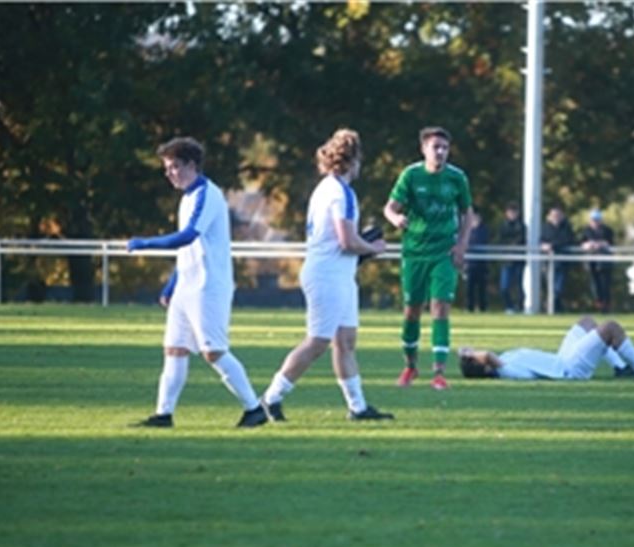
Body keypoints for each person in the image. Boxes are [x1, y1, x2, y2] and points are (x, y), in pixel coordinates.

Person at [127, 137, 267, 428]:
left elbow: (188, 236)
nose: (170, 174)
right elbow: (187, 251)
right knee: (174, 349)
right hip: (187, 286)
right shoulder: (186, 198)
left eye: (175, 167)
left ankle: (254, 409)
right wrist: (172, 284)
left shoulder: (207, 194)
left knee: (213, 352)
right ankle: (163, 414)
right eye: (167, 168)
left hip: (208, 286)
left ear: (192, 165)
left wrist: (145, 243)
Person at [259, 129, 392, 422]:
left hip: (338, 274)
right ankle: (270, 398)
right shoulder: (341, 192)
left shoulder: (326, 187)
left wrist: (363, 246)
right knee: (318, 341)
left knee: (345, 341)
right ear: (352, 161)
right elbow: (346, 240)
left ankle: (358, 407)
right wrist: (373, 248)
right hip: (328, 275)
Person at [383, 126, 475, 391]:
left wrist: (462, 245)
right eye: (435, 147)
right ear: (424, 149)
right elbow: (390, 207)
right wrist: (395, 218)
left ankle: (439, 372)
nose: (440, 152)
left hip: (443, 253)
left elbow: (467, 213)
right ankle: (410, 366)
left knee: (440, 307)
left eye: (444, 147)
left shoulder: (457, 178)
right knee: (412, 310)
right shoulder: (411, 175)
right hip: (414, 253)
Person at [458, 316, 634, 381]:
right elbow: (487, 355)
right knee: (610, 328)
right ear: (484, 366)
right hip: (570, 369)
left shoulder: (502, 362)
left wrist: (465, 354)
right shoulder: (505, 371)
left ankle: (621, 368)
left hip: (560, 360)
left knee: (586, 322)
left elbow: (484, 356)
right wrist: (469, 355)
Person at [540, 205, 576, 312]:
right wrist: (544, 246)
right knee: (550, 287)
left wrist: (552, 245)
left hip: (562, 262)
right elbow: (541, 241)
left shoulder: (566, 228)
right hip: (548, 262)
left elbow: (566, 240)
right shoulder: (545, 228)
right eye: (553, 215)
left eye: (558, 215)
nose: (556, 217)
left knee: (558, 288)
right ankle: (555, 308)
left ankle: (555, 308)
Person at [580, 208, 615, 312]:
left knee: (605, 285)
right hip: (591, 262)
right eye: (593, 220)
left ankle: (606, 306)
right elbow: (582, 243)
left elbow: (610, 243)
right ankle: (599, 304)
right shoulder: (586, 231)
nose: (595, 222)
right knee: (595, 285)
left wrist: (600, 244)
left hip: (604, 263)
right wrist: (588, 245)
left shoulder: (607, 230)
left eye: (597, 220)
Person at [498, 201, 526, 313]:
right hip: (506, 260)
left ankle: (520, 307)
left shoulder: (521, 226)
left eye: (514, 212)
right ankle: (509, 306)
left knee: (518, 286)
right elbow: (500, 240)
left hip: (518, 260)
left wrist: (510, 246)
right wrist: (509, 247)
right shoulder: (503, 226)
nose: (512, 214)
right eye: (510, 212)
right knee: (504, 286)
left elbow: (521, 240)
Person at [464, 208, 489, 312]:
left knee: (482, 287)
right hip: (470, 263)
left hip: (481, 263)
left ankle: (483, 307)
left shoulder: (483, 230)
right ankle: (469, 307)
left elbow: (483, 241)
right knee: (469, 287)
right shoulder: (466, 230)